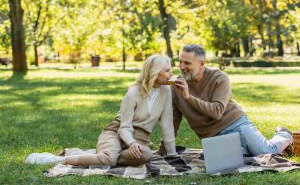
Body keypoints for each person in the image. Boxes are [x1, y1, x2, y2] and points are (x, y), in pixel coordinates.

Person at [26, 54, 177, 166]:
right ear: (154, 73)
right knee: (108, 159)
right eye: (167, 71)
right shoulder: (133, 93)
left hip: (139, 139)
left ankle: (94, 154)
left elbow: (167, 124)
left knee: (145, 155)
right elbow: (124, 128)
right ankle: (60, 159)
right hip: (117, 132)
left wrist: (172, 153)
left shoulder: (166, 91)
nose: (171, 74)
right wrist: (131, 143)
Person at [160, 44, 293, 157]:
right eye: (180, 62)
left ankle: (283, 134)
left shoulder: (219, 77)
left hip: (236, 125)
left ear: (202, 64)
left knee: (266, 152)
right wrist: (163, 150)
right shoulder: (176, 87)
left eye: (187, 63)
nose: (182, 67)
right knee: (236, 159)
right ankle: (249, 150)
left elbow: (217, 112)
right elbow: (173, 121)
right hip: (213, 138)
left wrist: (188, 97)